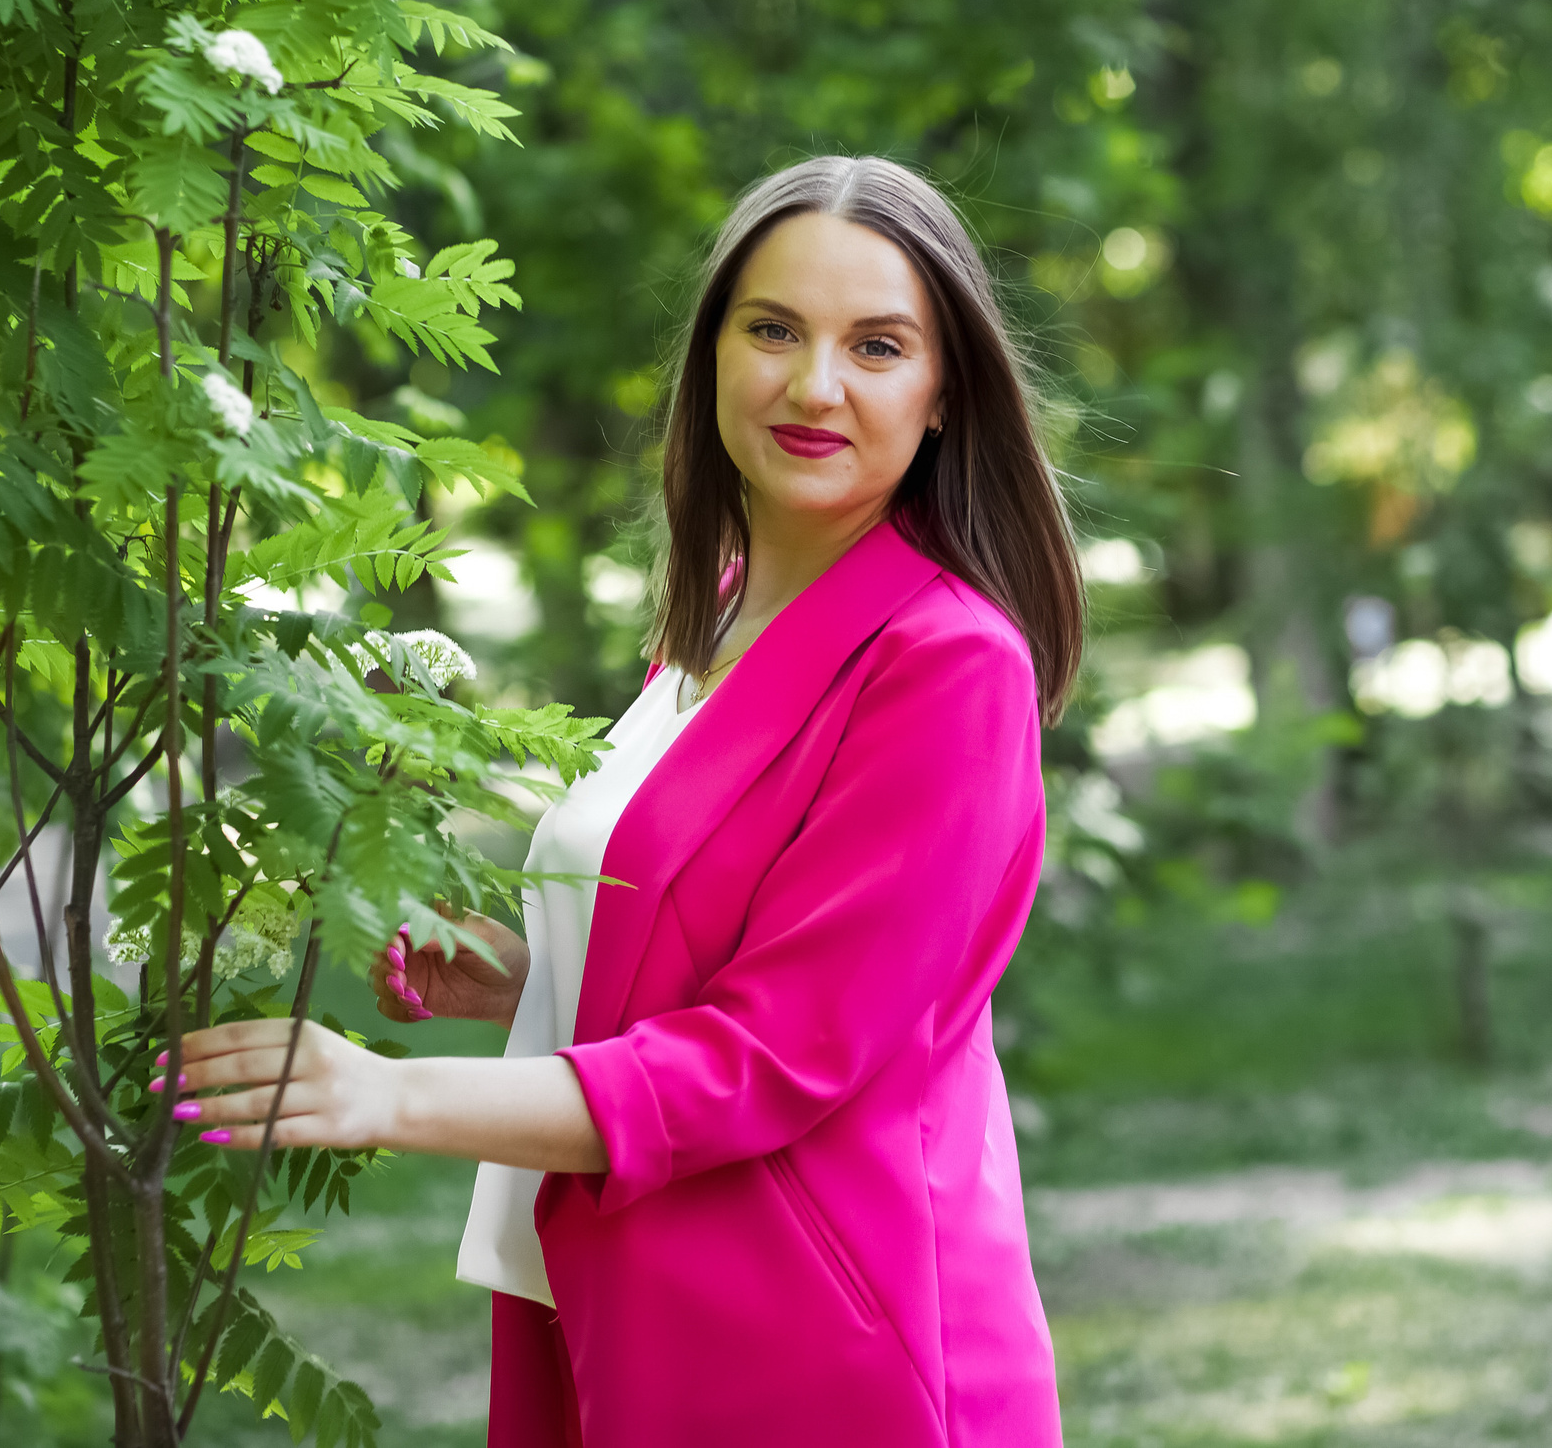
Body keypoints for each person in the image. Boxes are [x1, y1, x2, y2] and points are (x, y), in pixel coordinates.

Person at [168, 155, 1082, 1446]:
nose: (813, 385)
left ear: (942, 397)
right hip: (604, 1277)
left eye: (876, 346)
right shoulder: (717, 617)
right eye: (773, 330)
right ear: (714, 355)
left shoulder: (947, 664)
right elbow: (716, 937)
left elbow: (779, 1052)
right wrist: (530, 969)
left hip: (817, 1336)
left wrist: (385, 1098)